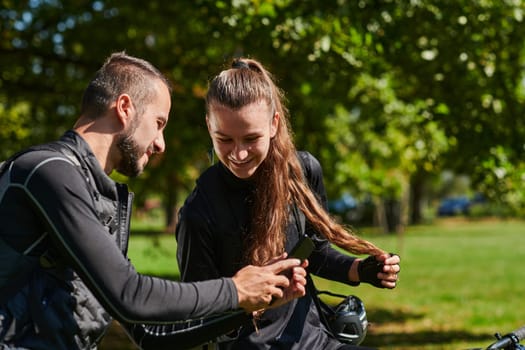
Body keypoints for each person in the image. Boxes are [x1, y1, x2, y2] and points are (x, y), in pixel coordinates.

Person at [0, 52, 308, 350]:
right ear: (125, 108)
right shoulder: (46, 171)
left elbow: (150, 334)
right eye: (159, 123)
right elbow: (129, 294)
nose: (160, 144)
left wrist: (251, 304)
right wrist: (236, 289)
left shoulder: (94, 196)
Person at [175, 57, 401, 350]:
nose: (239, 154)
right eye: (225, 139)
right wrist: (247, 301)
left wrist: (361, 270)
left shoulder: (303, 171)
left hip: (316, 341)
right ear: (209, 126)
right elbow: (197, 316)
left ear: (273, 124)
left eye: (251, 138)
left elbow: (314, 253)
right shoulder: (198, 212)